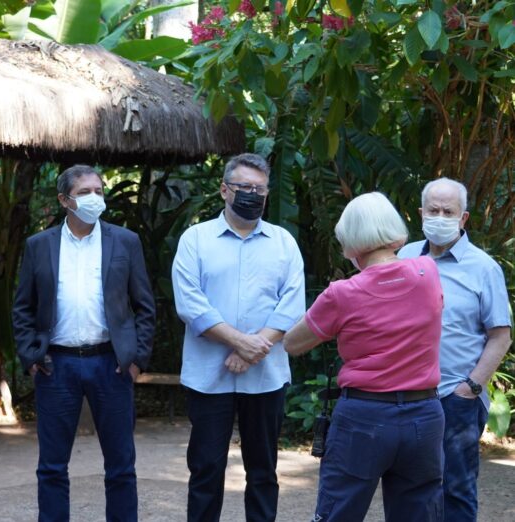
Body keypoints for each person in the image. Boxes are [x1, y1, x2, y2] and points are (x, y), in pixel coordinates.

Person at [284, 192, 445, 522]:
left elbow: (293, 343)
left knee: (338, 511)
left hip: (364, 417)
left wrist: (330, 305)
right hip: (424, 415)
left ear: (351, 241)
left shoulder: (343, 293)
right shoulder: (427, 272)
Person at [12, 164, 155, 522]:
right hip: (55, 366)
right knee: (52, 466)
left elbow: (145, 305)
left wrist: (136, 358)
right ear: (64, 200)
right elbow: (22, 306)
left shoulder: (125, 241)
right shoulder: (39, 245)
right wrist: (31, 356)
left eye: (99, 191)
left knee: (121, 465)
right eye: (84, 193)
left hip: (111, 363)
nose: (95, 198)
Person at [171, 153, 305, 522]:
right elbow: (190, 302)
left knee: (263, 471)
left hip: (265, 376)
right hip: (207, 377)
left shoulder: (283, 243)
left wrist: (251, 349)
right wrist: (239, 342)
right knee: (205, 470)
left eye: (259, 189)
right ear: (224, 190)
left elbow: (291, 304)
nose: (252, 194)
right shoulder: (195, 239)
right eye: (244, 187)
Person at [398, 178, 512, 521]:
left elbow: (501, 336)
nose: (441, 216)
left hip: (455, 395)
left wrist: (471, 387)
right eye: (433, 210)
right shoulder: (402, 257)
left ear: (463, 218)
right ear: (420, 213)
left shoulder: (483, 268)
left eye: (449, 211)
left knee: (456, 490)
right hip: (405, 394)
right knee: (409, 487)